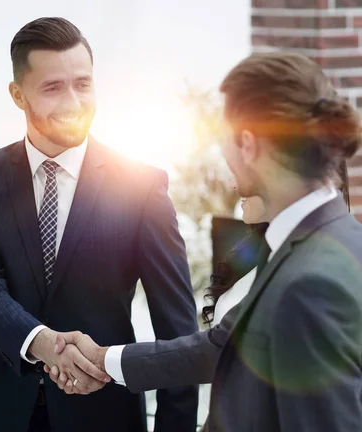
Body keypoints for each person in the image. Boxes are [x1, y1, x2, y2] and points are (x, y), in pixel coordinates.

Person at [47, 52, 362, 431]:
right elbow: (222, 346)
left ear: (247, 144)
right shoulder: (316, 242)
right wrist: (102, 359)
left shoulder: (311, 284)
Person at [0, 17, 198, 432]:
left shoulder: (142, 185)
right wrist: (46, 345)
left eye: (82, 84)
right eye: (52, 87)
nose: (73, 102)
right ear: (17, 94)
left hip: (105, 412)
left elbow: (177, 331)